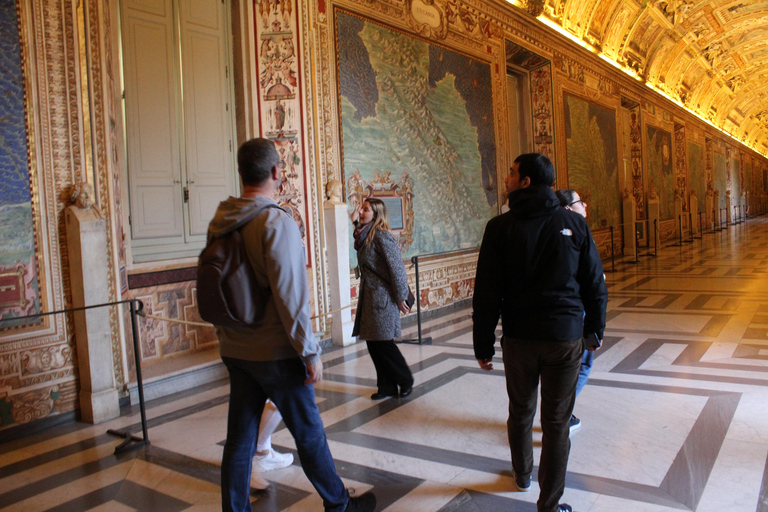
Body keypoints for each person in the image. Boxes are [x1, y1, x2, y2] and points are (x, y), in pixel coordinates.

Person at [209, 138, 376, 512]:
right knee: (309, 432)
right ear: (275, 173)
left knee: (239, 438)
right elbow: (291, 297)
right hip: (276, 351)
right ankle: (338, 504)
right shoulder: (275, 221)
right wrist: (309, 352)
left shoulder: (220, 221)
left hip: (236, 348)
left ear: (241, 173)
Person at [473, 154, 608, 512]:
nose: (506, 178)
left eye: (512, 173)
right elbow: (594, 283)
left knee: (520, 412)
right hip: (565, 338)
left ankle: (522, 475)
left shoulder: (499, 228)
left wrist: (482, 343)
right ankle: (549, 504)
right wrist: (594, 330)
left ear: (527, 181)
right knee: (556, 422)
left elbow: (487, 291)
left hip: (519, 338)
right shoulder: (573, 224)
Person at [350, 198, 414, 400]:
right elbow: (358, 242)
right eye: (362, 209)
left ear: (376, 214)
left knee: (384, 343)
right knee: (374, 343)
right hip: (371, 296)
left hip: (383, 298)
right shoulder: (365, 234)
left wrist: (401, 296)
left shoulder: (382, 236)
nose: (361, 212)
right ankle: (386, 386)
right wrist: (354, 223)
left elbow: (397, 269)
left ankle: (405, 380)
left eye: (366, 210)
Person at [555, 189, 593, 433]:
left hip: (561, 312)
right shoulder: (577, 233)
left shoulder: (551, 232)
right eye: (580, 201)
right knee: (582, 363)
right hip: (575, 309)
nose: (585, 204)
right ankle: (562, 413)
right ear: (568, 208)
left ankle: (558, 411)